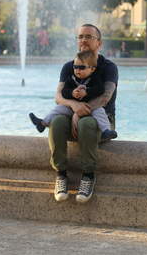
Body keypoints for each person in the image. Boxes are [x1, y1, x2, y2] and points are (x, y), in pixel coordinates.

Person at [36, 24, 118, 203]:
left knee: (86, 123)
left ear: (99, 43)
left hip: (101, 119)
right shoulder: (69, 66)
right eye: (80, 36)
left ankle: (88, 175)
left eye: (89, 36)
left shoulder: (109, 67)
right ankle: (61, 174)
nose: (84, 40)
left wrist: (80, 113)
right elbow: (58, 97)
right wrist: (73, 105)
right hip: (72, 117)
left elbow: (105, 97)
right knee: (56, 122)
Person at [29, 50, 118, 141]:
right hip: (72, 108)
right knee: (58, 109)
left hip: (91, 108)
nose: (77, 70)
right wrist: (72, 93)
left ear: (92, 69)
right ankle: (42, 123)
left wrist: (87, 91)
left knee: (100, 112)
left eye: (81, 67)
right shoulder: (71, 78)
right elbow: (64, 92)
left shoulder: (95, 78)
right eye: (75, 67)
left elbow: (100, 90)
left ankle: (105, 131)